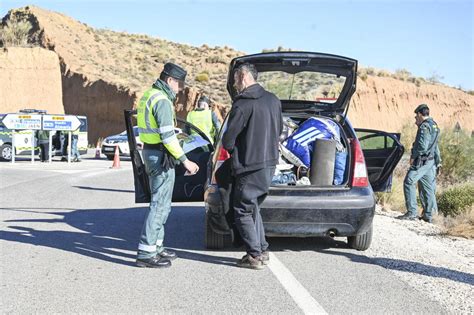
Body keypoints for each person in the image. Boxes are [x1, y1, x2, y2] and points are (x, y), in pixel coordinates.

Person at [136, 62, 199, 268]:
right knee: (159, 205)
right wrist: (185, 161)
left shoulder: (149, 94)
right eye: (179, 84)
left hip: (151, 152)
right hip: (160, 155)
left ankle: (157, 247)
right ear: (170, 80)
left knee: (161, 203)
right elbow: (167, 137)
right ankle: (146, 253)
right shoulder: (162, 100)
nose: (180, 89)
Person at [222, 63, 282, 269]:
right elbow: (279, 129)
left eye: (236, 79)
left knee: (242, 210)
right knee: (253, 206)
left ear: (244, 77)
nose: (234, 84)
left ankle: (254, 255)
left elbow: (228, 139)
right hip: (269, 164)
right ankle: (262, 249)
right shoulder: (273, 100)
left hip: (249, 165)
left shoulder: (243, 104)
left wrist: (233, 149)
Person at [398, 104, 441, 223]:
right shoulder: (434, 125)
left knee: (409, 181)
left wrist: (413, 157)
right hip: (430, 162)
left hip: (422, 162)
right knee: (428, 188)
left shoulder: (424, 127)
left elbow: (422, 146)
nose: (415, 119)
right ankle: (430, 215)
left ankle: (412, 212)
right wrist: (438, 162)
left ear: (419, 114)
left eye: (416, 116)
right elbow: (435, 146)